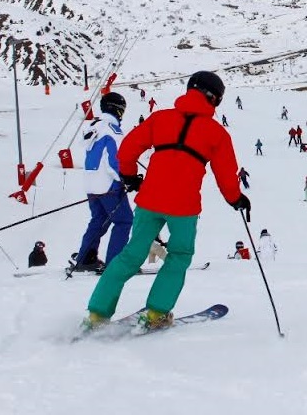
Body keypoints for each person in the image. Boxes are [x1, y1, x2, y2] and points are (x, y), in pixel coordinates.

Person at [83, 71, 248, 332]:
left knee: (130, 256)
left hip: (149, 200)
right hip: (184, 208)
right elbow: (226, 175)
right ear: (213, 98)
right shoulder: (216, 133)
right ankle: (157, 312)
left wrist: (129, 175)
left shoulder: (160, 118)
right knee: (179, 256)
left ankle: (96, 314)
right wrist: (236, 199)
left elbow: (127, 148)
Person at [73, 92, 132, 273]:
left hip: (91, 184)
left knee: (99, 219)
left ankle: (85, 258)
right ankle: (115, 263)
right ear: (118, 110)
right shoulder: (113, 131)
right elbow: (114, 161)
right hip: (108, 186)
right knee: (124, 221)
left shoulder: (94, 127)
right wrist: (125, 179)